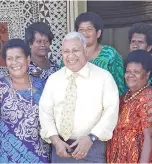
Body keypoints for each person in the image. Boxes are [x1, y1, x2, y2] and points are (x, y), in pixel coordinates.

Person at [39, 32, 119, 163]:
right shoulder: (54, 80)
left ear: (85, 50)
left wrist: (91, 138)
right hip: (61, 148)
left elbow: (111, 111)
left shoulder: (104, 77)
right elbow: (45, 112)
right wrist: (55, 140)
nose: (70, 55)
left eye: (75, 50)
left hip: (92, 147)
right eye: (66, 51)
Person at [0, 39, 50, 163]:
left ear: (28, 59)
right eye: (9, 59)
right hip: (7, 158)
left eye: (18, 57)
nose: (14, 62)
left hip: (40, 157)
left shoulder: (43, 85)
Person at [107, 50, 152, 163]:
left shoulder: (148, 98)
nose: (130, 75)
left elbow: (150, 137)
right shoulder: (125, 97)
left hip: (137, 158)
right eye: (128, 71)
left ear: (147, 74)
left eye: (136, 72)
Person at [60, 12, 126, 96]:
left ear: (98, 33)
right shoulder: (70, 57)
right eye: (81, 30)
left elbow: (119, 88)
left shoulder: (110, 54)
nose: (84, 33)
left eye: (89, 29)